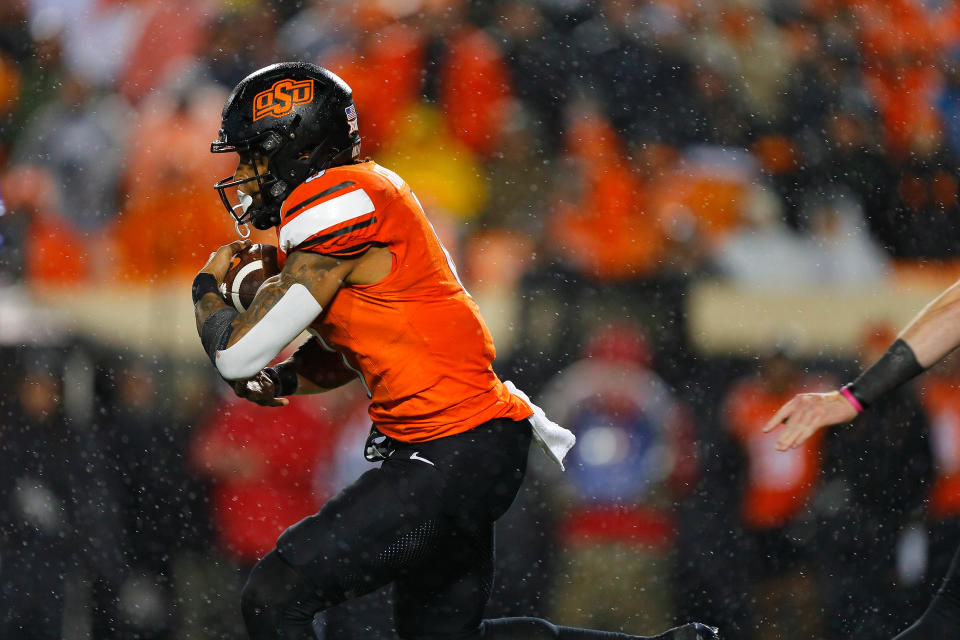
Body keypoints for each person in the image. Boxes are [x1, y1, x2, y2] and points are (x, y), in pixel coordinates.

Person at [190, 62, 720, 640]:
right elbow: (362, 350)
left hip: (448, 450)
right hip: (473, 449)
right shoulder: (364, 195)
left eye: (252, 156)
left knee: (276, 596)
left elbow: (237, 357)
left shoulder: (337, 197)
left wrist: (207, 293)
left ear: (295, 145)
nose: (242, 175)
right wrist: (288, 380)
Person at [764, 285, 960, 638]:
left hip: (893, 521)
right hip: (855, 523)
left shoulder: (909, 408)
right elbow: (952, 312)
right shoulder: (891, 404)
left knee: (909, 609)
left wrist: (908, 512)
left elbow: (921, 463)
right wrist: (854, 398)